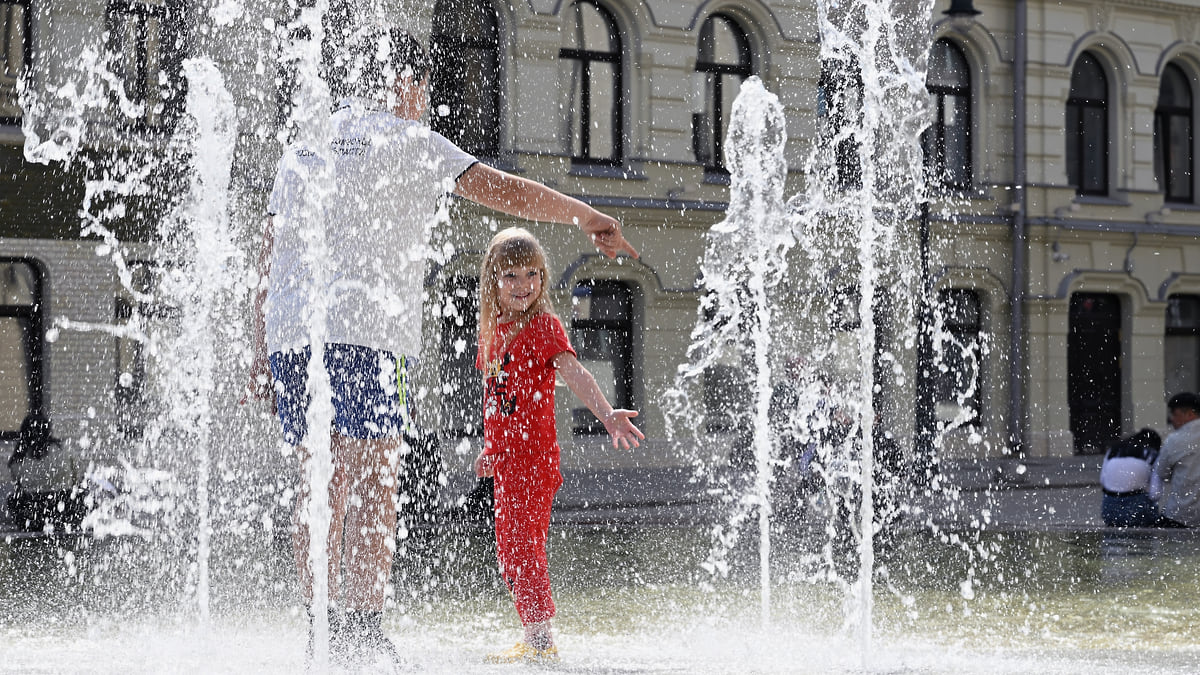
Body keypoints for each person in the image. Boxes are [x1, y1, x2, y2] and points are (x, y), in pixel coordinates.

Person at [246, 27, 638, 667]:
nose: (426, 103)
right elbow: (503, 190)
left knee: (319, 483)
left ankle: (318, 630)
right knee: (373, 479)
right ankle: (363, 629)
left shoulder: (305, 146)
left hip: (295, 336)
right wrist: (585, 214)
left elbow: (270, 253)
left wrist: (257, 350)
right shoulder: (410, 141)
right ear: (409, 87)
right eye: (425, 91)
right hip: (366, 335)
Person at [471, 228, 644, 664]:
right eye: (510, 275)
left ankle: (542, 639)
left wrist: (607, 415)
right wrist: (490, 447)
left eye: (532, 273)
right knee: (509, 545)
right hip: (508, 460)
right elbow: (496, 398)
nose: (523, 284)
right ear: (492, 280)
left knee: (524, 542)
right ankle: (533, 632)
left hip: (535, 458)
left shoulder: (543, 327)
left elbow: (575, 372)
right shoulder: (492, 335)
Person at [1151, 392, 1200, 528]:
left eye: (1175, 414)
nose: (1171, 419)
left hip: (1181, 516)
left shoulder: (1175, 440)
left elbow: (1161, 472)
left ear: (1189, 414)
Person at [1099, 428, 1162, 527]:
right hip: (1137, 512)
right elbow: (1155, 494)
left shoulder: (1113, 451)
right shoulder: (1152, 455)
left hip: (1109, 511)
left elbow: (1103, 480)